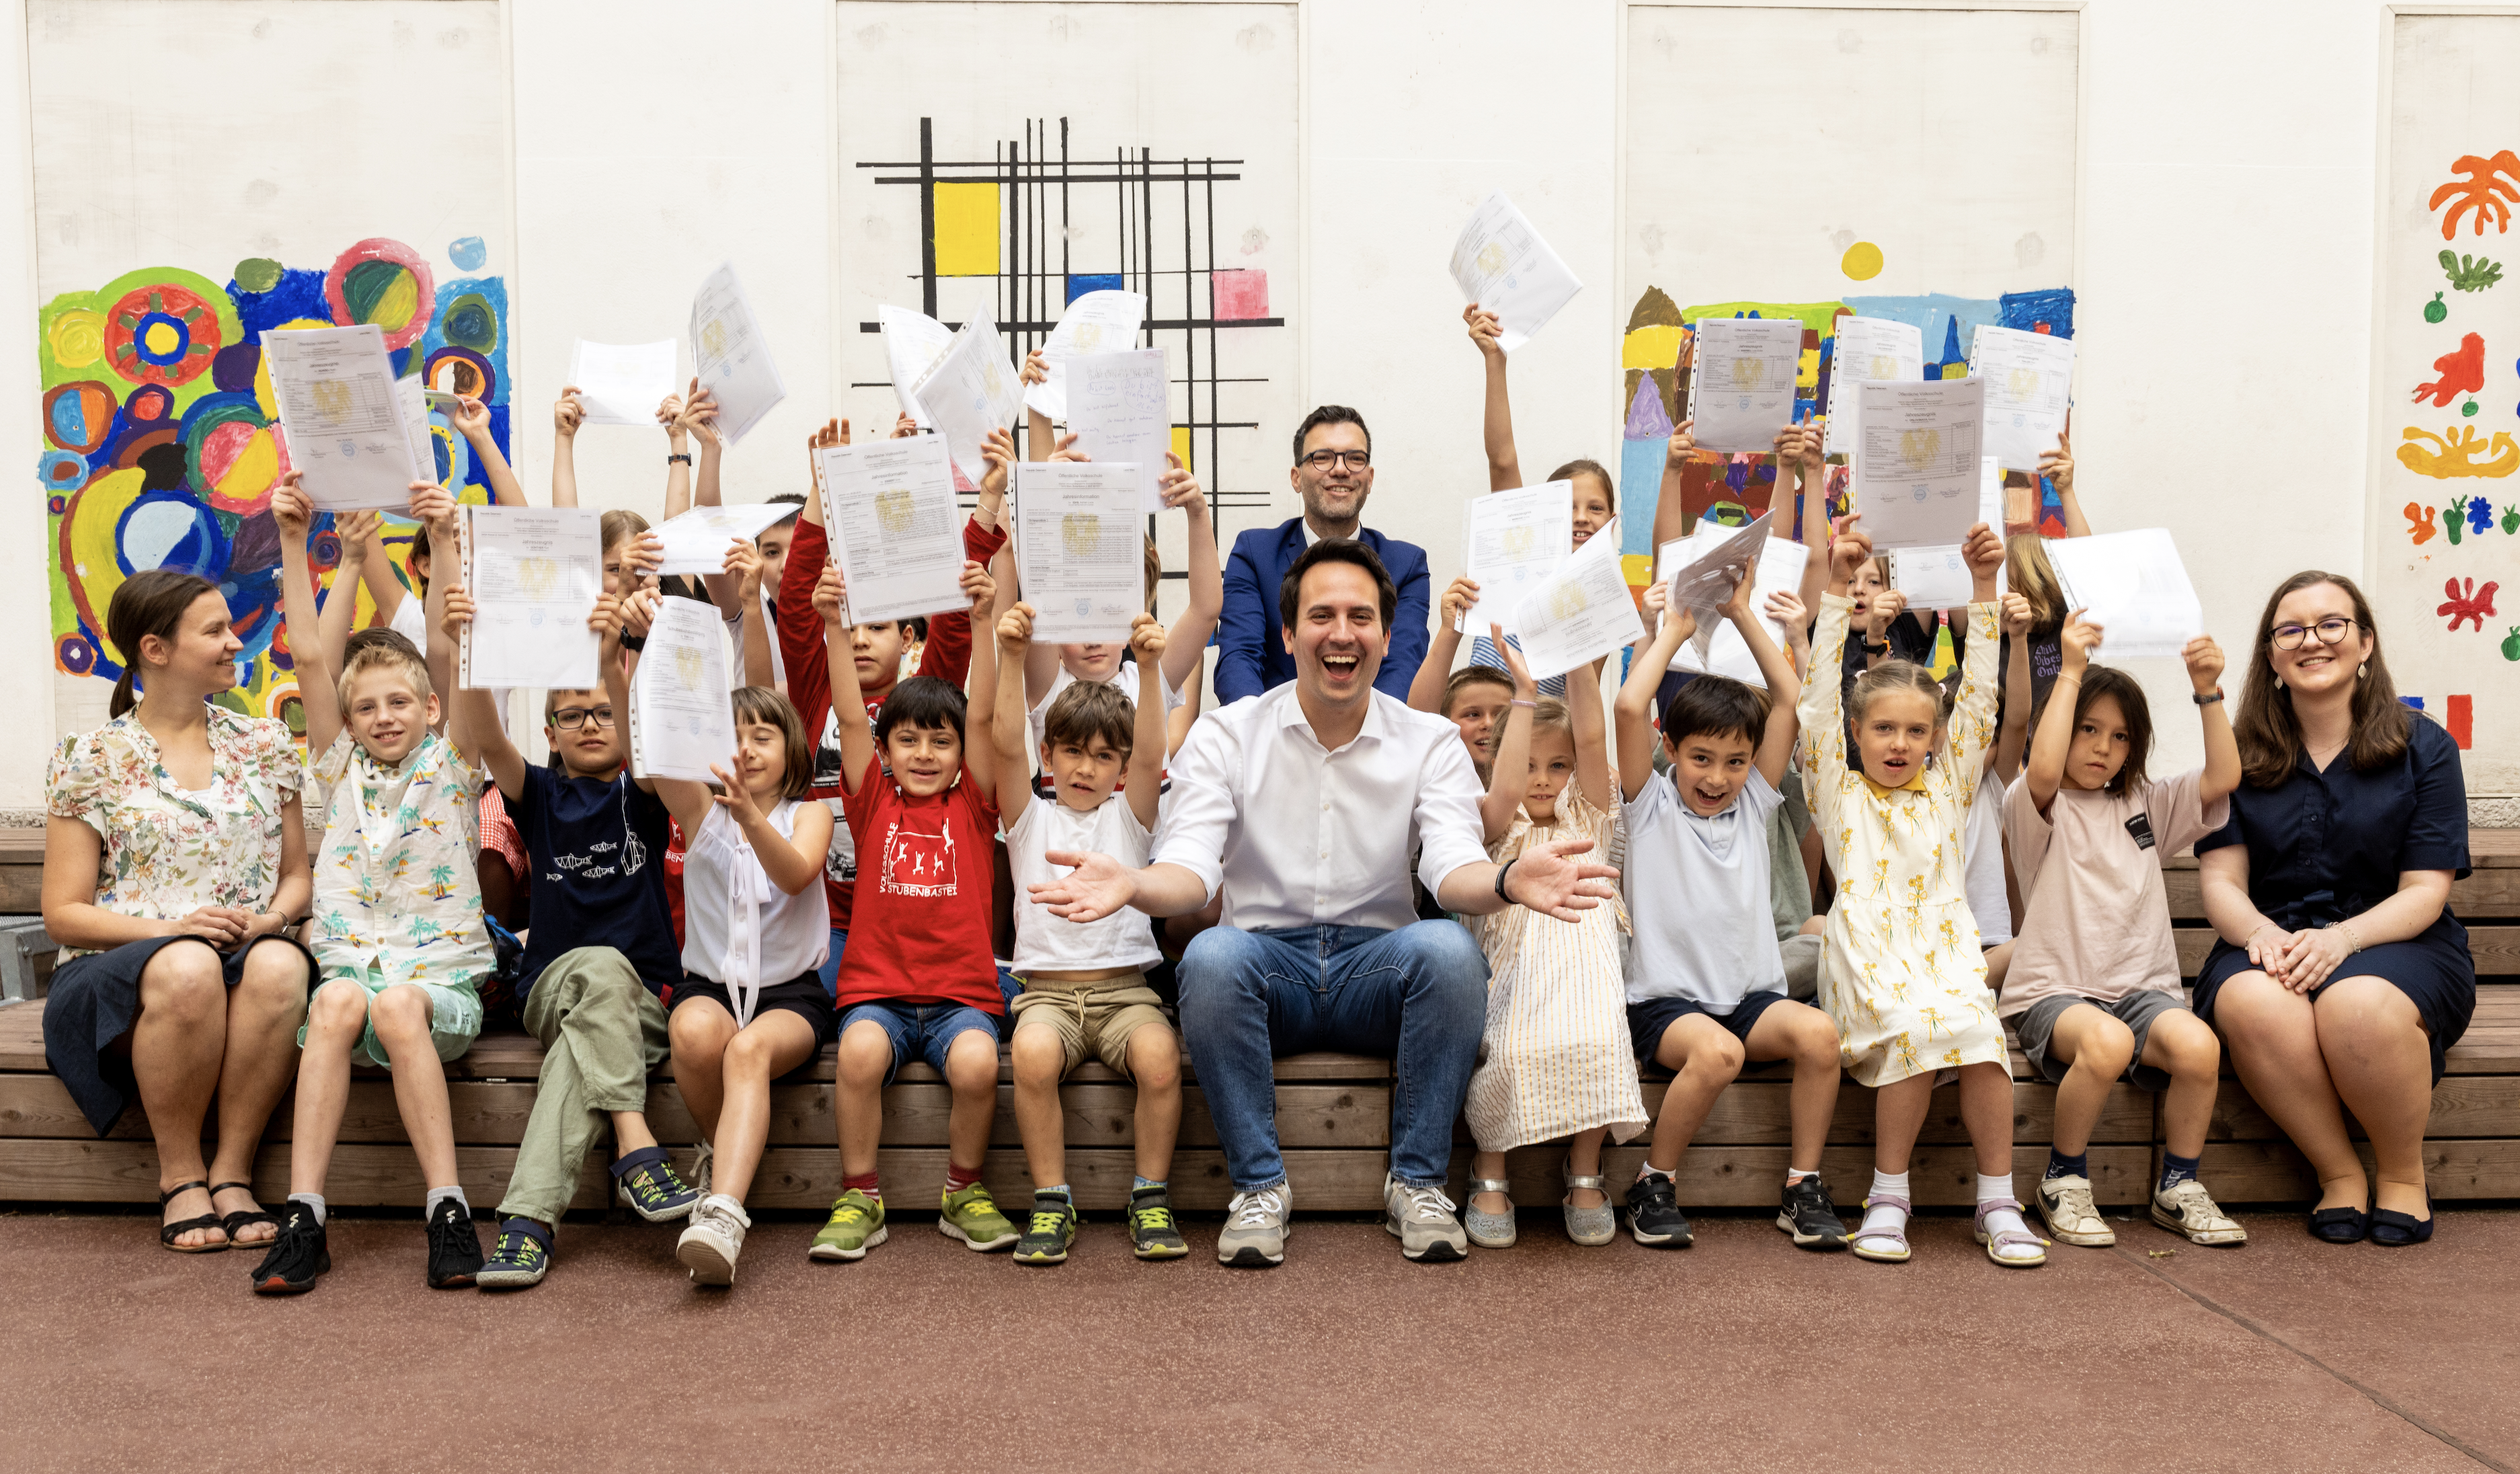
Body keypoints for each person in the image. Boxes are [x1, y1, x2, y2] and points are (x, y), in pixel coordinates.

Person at [1028, 540, 1619, 1266]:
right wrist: (1133, 882)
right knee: (1210, 955)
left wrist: (1503, 882)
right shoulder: (1227, 733)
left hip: (1378, 972)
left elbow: (1450, 867)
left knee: (1449, 950)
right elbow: (1191, 871)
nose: (1342, 632)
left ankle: (1417, 1183)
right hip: (1265, 970)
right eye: (1322, 615)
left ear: (1385, 637)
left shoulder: (1428, 739)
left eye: (1360, 617)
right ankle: (1259, 1189)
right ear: (1288, 634)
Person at [248, 477, 492, 1294]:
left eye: (399, 702)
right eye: (366, 708)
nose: (384, 716)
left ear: (431, 707)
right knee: (335, 1001)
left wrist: (442, 536)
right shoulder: (338, 767)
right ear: (347, 722)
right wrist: (302, 543)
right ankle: (305, 1216)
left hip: (437, 987)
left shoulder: (453, 764)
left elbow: (451, 645)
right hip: (355, 975)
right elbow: (310, 657)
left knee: (393, 1005)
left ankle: (448, 1208)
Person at [2194, 572, 2474, 1247]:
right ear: (2270, 654)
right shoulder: (2236, 753)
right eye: (2290, 630)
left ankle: (2402, 1176)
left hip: (2399, 942)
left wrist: (2342, 940)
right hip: (2269, 939)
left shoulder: (2425, 747)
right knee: (2251, 1001)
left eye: (2331, 624)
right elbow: (2222, 881)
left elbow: (2425, 890)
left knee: (2356, 1004)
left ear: (2365, 642)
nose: (2311, 640)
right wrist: (2262, 933)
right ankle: (2339, 1173)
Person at [40, 568, 315, 1253]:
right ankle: (181, 1176)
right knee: (189, 965)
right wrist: (172, 931)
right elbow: (64, 914)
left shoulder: (265, 745)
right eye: (215, 631)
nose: (235, 642)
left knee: (281, 965)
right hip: (116, 976)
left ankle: (232, 1172)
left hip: (241, 961)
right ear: (155, 649)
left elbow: (296, 876)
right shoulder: (91, 757)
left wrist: (271, 921)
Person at [440, 572, 701, 1291]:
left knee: (575, 1057)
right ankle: (636, 1145)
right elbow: (487, 735)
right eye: (571, 715)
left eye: (603, 713)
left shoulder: (642, 795)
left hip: (644, 1002)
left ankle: (526, 1227)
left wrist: (614, 654)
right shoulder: (539, 795)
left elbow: (643, 731)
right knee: (597, 966)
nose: (590, 723)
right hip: (552, 989)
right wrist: (467, 646)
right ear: (550, 732)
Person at [1798, 517, 2044, 1268]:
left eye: (1914, 730)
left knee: (1980, 1035)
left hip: (1944, 953)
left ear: (1935, 738)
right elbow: (1814, 701)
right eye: (1882, 729)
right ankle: (1888, 1196)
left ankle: (1997, 1200)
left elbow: (1981, 700)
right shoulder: (1836, 790)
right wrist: (1835, 587)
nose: (1899, 743)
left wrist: (1982, 585)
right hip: (1866, 958)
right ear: (1856, 732)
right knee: (1912, 1028)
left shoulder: (1949, 787)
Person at [1613, 570, 1846, 1252]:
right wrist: (1675, 631)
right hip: (1666, 1005)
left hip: (1749, 997)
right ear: (1671, 749)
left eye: (1735, 761)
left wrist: (1743, 613)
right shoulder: (1650, 804)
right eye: (1701, 758)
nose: (1717, 777)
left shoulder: (1754, 803)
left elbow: (1789, 698)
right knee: (1719, 1053)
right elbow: (1628, 707)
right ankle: (1653, 1181)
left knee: (1820, 1035)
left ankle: (1803, 1185)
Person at [2005, 611, 2247, 1249]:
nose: (2102, 747)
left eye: (2118, 736)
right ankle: (2063, 1179)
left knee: (2199, 1048)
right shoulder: (2035, 804)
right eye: (2088, 729)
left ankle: (2179, 1187)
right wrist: (2071, 670)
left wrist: (2207, 691)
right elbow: (2043, 770)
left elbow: (2224, 778)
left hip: (2142, 992)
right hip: (2054, 992)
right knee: (2107, 1042)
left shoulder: (2144, 802)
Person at [805, 555, 1011, 1263]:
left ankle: (963, 1190)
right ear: (885, 750)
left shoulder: (975, 800)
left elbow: (983, 713)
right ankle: (859, 1195)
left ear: (960, 750)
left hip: (960, 998)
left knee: (979, 1065)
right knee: (858, 1054)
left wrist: (983, 622)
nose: (925, 753)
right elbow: (849, 714)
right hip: (879, 994)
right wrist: (834, 627)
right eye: (909, 740)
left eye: (941, 741)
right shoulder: (872, 798)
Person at [775, 418, 1007, 991]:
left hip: (914, 920)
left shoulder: (925, 699)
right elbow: (798, 602)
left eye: (875, 626)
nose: (857, 638)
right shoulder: (817, 688)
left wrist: (986, 506)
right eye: (849, 624)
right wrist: (822, 486)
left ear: (906, 637)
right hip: (829, 922)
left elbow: (955, 614)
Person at [992, 605, 1187, 1266]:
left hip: (1125, 992)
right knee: (1031, 1056)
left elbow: (1153, 751)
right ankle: (1052, 1199)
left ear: (1121, 770)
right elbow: (1003, 745)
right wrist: (1011, 657)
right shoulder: (1028, 819)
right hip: (1046, 996)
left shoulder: (1130, 818)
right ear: (1048, 754)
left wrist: (1151, 667)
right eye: (1072, 751)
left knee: (1161, 1058)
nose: (1085, 767)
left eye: (1104, 756)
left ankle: (1149, 1195)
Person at [638, 673, 833, 1288]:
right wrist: (633, 659)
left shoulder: (811, 813)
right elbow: (652, 751)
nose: (745, 749)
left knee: (747, 1050)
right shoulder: (700, 810)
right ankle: (720, 1156)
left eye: (762, 736)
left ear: (792, 751)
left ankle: (722, 1217)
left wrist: (749, 815)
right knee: (691, 1032)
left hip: (791, 996)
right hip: (711, 987)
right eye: (732, 737)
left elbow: (796, 874)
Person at [1456, 635, 1646, 1250]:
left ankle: (1584, 1170)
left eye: (1557, 766)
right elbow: (1510, 782)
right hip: (1513, 972)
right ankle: (1490, 1165)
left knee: (1601, 1039)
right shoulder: (1491, 825)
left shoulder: (1586, 820)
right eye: (1530, 765)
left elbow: (1590, 736)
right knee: (1508, 1051)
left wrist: (1581, 647)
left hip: (1585, 972)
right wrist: (1524, 693)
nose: (1542, 781)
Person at [1454, 303, 1618, 697]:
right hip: (1484, 715)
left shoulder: (1603, 601)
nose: (1581, 517)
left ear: (1613, 522)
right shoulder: (1519, 554)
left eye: (1595, 508)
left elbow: (1582, 703)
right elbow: (1502, 459)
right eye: (1567, 507)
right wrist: (1495, 361)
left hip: (1543, 728)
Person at [1214, 406, 1431, 703]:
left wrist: (1363, 730)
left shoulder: (1407, 566)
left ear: (1370, 478)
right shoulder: (1254, 553)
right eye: (1323, 457)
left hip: (1372, 729)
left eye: (1355, 458)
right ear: (1296, 477)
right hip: (1271, 728)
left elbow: (1401, 669)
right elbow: (1239, 659)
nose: (1340, 469)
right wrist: (1263, 729)